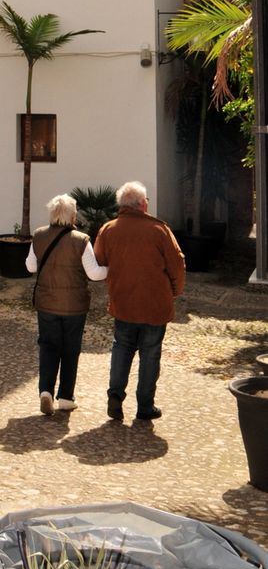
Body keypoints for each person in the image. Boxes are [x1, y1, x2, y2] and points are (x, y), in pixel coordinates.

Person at [93, 180, 185, 422]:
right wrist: (174, 291)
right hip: (155, 305)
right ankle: (145, 406)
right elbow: (177, 265)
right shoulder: (159, 230)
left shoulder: (109, 229)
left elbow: (99, 261)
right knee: (150, 355)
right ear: (142, 204)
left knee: (121, 350)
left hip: (123, 302)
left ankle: (115, 397)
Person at [26, 194, 107, 415]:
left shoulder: (39, 236)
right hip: (74, 307)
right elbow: (95, 274)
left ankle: (45, 392)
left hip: (47, 304)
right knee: (70, 350)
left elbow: (30, 267)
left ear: (52, 213)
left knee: (48, 347)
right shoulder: (81, 240)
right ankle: (66, 397)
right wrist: (111, 268)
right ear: (72, 215)